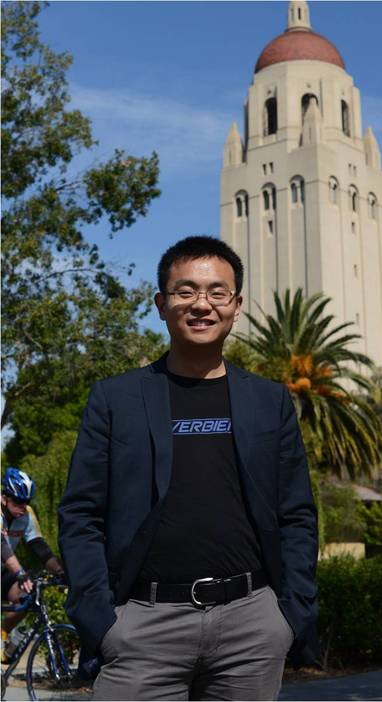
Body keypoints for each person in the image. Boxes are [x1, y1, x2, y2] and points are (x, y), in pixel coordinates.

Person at [58, 235, 320, 701]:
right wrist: (102, 621)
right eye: (186, 291)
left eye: (218, 292)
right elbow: (80, 514)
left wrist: (288, 616)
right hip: (142, 626)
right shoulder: (116, 399)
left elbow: (296, 513)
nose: (202, 304)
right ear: (161, 304)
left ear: (236, 306)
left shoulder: (269, 401)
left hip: (251, 629)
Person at [1, 467, 64, 662]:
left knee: (27, 595)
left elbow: (39, 547)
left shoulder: (26, 514)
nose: (23, 506)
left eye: (27, 501)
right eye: (18, 501)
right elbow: (2, 547)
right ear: (4, 498)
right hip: (7, 564)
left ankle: (3, 632)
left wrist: (61, 572)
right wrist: (20, 573)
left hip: (3, 571)